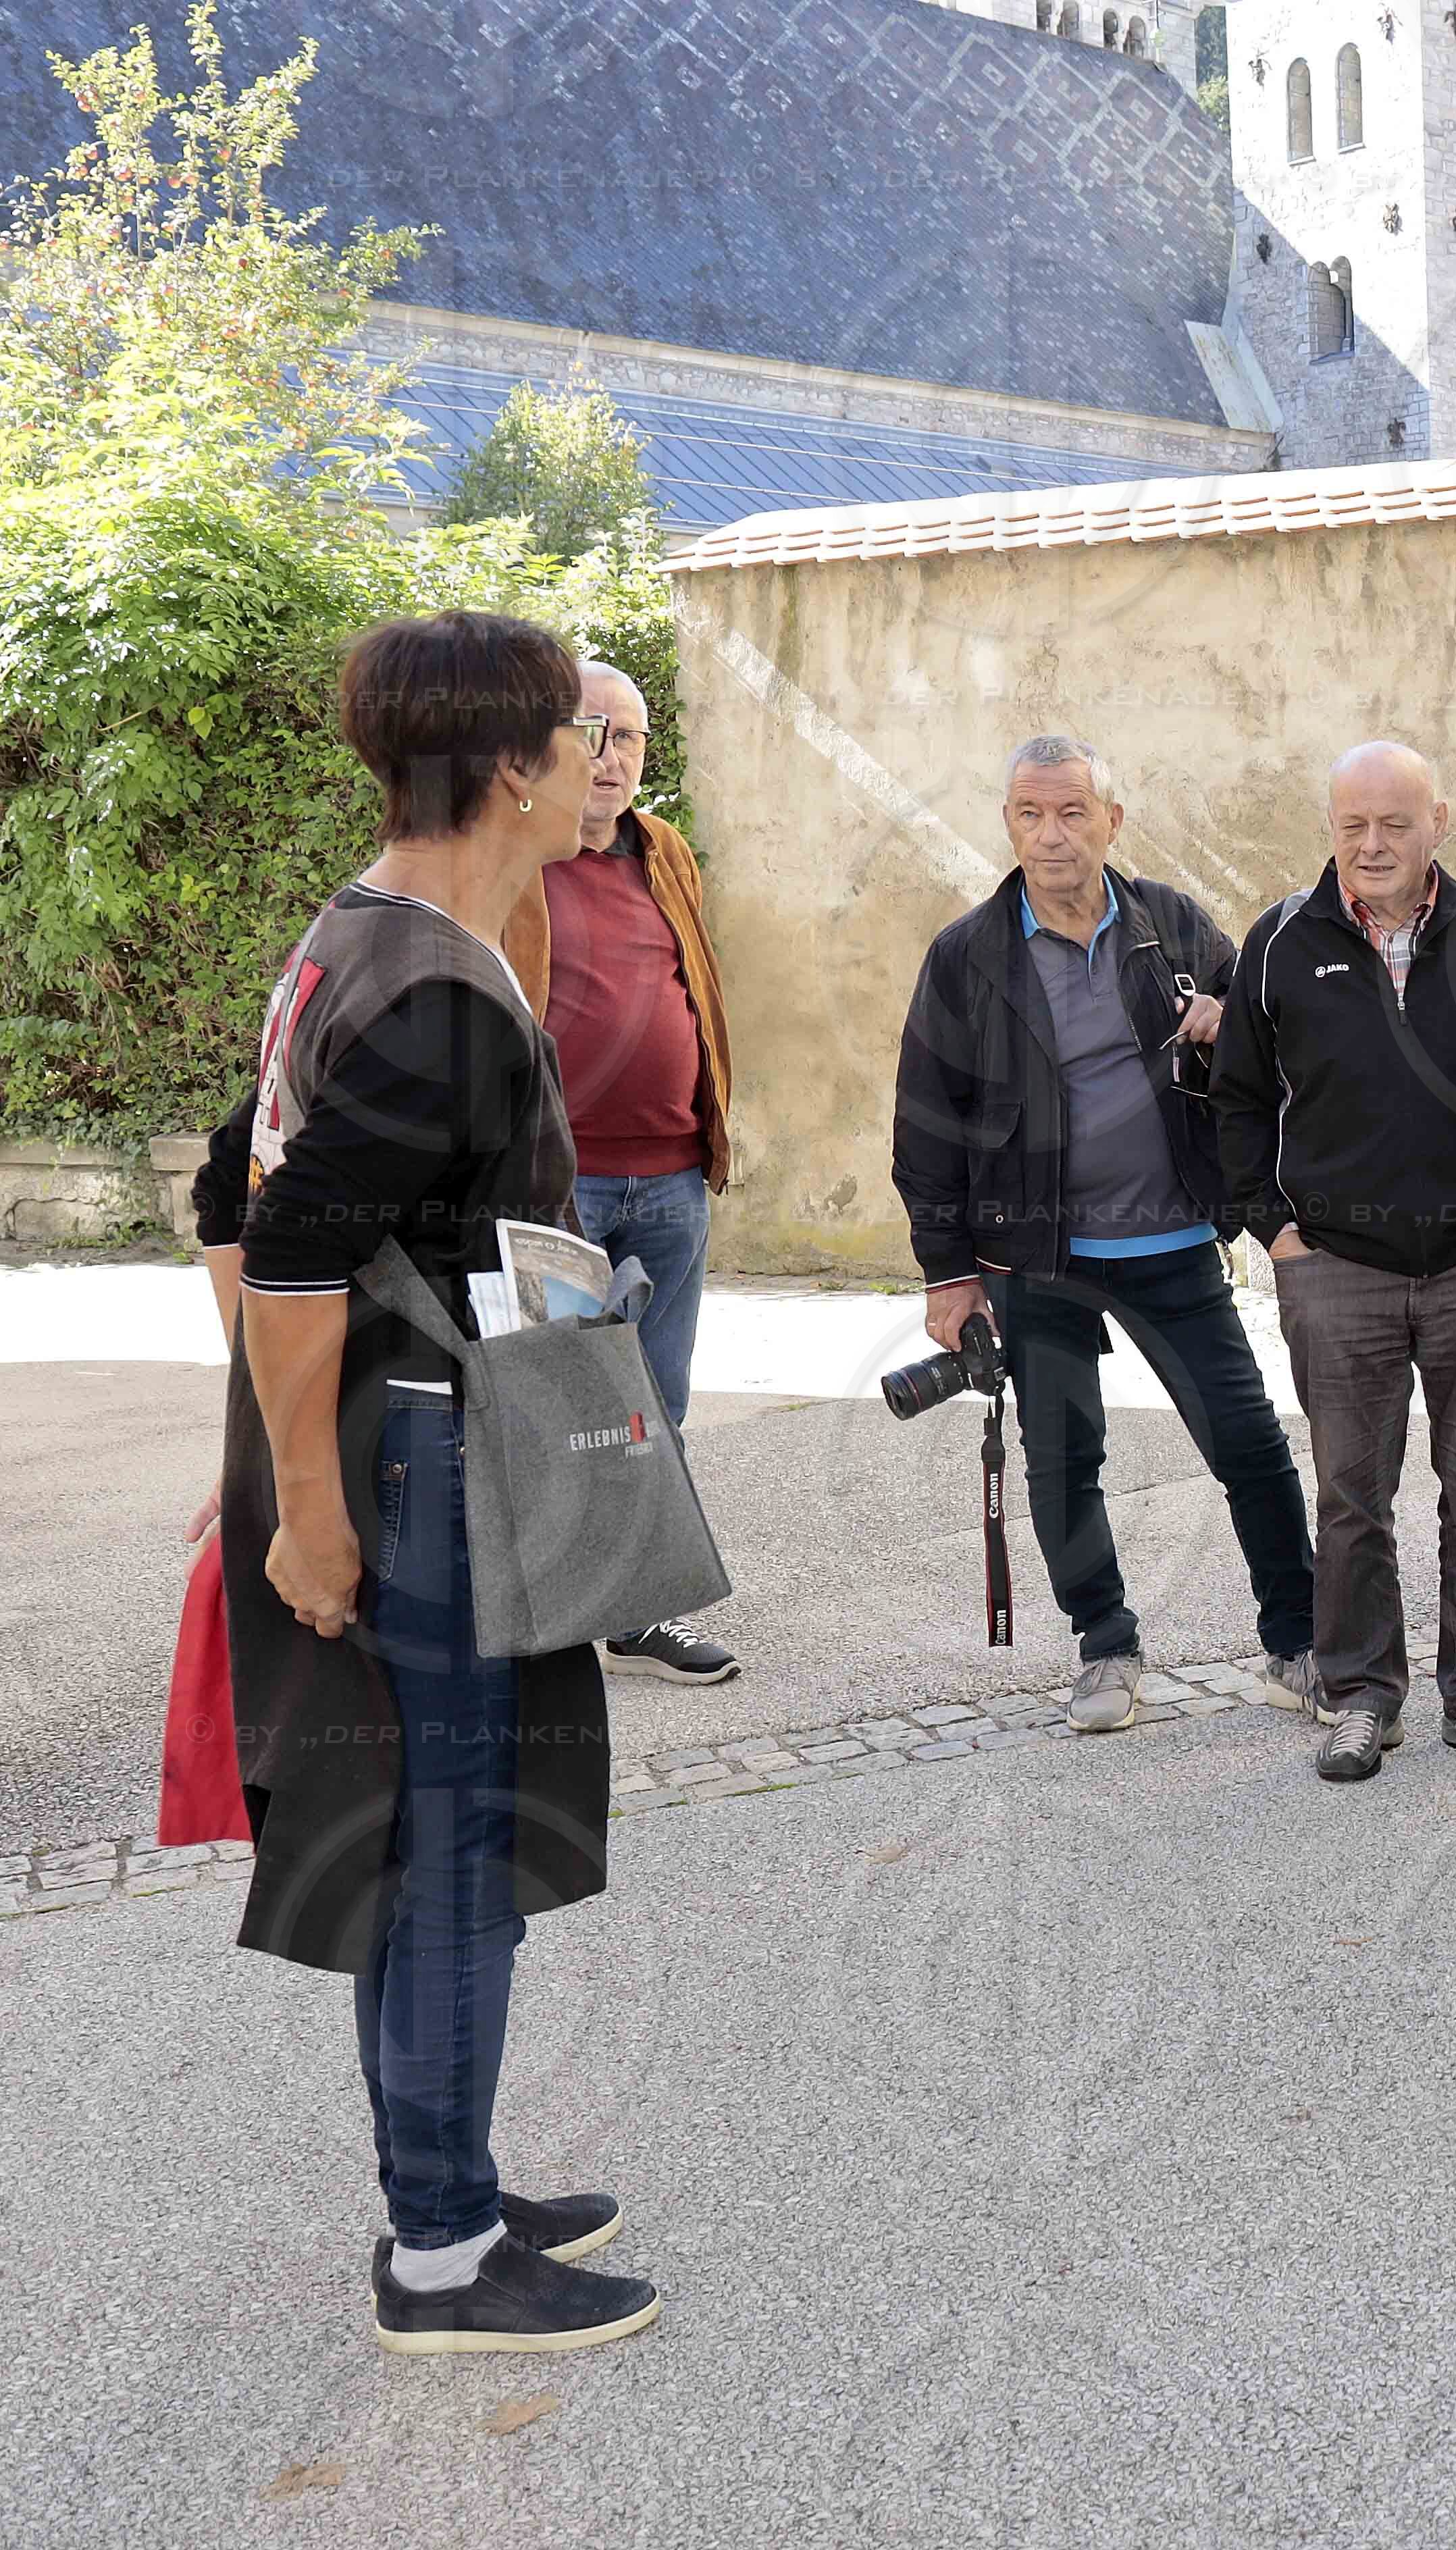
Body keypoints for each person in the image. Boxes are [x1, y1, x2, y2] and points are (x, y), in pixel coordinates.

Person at [224, 610, 659, 2353]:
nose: (597, 768)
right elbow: (289, 1255)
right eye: (572, 738)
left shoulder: (371, 935)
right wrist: (306, 1506)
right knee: (454, 1857)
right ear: (505, 767)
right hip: (425, 1460)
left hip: (406, 1440)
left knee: (436, 1850)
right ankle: (440, 2256)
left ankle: (448, 2175)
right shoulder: (435, 1001)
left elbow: (232, 1194)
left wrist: (277, 1463)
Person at [889, 737, 1320, 1733]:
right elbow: (926, 1124)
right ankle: (1106, 1647)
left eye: (1073, 812)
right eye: (1031, 815)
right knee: (1063, 1460)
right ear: (1009, 824)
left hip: (1169, 1240)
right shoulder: (967, 957)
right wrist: (947, 1275)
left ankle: (1298, 1642)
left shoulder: (1171, 923)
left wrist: (1227, 1027)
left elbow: (1270, 1061)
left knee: (1247, 1440)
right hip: (1034, 1256)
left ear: (1111, 821)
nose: (1052, 835)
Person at [1220, 741, 1456, 1783]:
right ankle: (1363, 1695)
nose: (1372, 845)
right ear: (1331, 828)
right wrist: (1274, 1231)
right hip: (1336, 1270)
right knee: (1351, 1496)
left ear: (1438, 823)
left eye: (1394, 824)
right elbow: (1235, 1098)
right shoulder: (1281, 941)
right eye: (1352, 825)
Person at [502, 658, 741, 1687]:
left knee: (658, 1401)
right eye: (592, 731)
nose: (612, 757)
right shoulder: (514, 856)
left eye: (632, 737)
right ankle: (554, 1609)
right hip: (562, 1184)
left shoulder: (664, 852)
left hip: (672, 1178)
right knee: (556, 1401)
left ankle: (645, 1607)